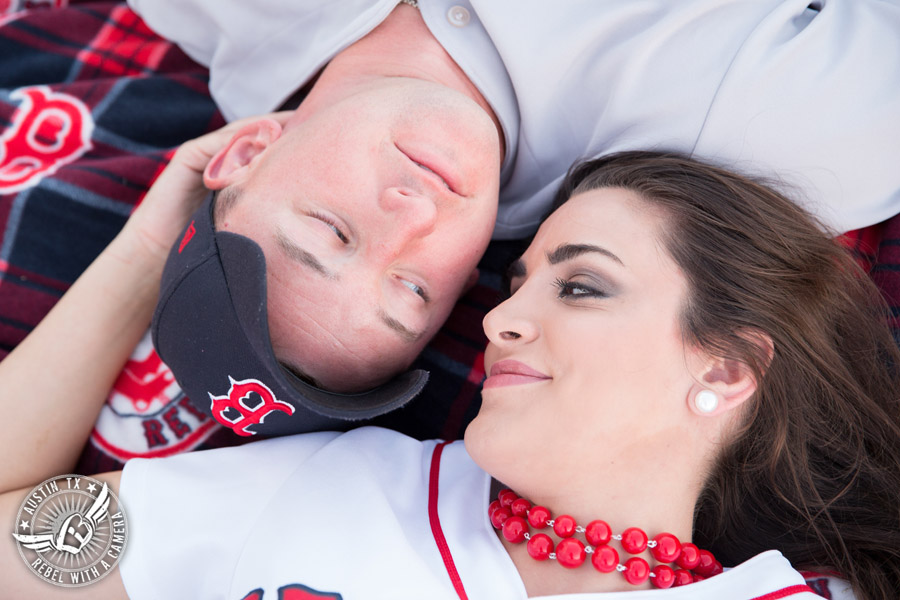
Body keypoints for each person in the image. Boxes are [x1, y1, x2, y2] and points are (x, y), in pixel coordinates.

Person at [3, 152, 898, 598]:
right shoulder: (336, 487)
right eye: (519, 282)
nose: (505, 319)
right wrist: (155, 250)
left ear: (729, 368)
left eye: (581, 287)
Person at [120, 0, 900, 430]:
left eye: (333, 231)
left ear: (245, 151)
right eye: (412, 289)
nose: (411, 217)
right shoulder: (748, 131)